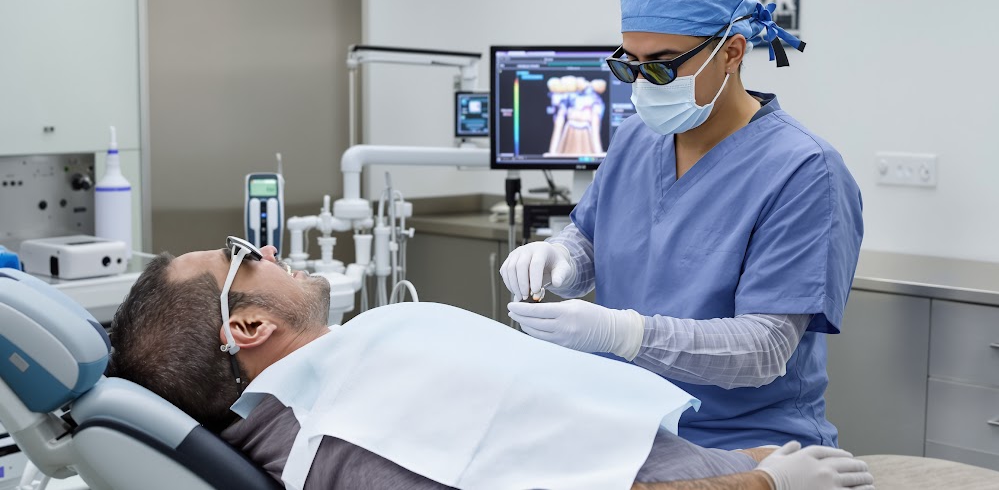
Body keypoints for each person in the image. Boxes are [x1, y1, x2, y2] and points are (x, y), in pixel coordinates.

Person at [108, 240, 874, 490]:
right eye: (244, 256)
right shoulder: (349, 437)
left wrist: (738, 461)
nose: (267, 249)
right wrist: (765, 483)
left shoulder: (338, 383)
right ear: (247, 325)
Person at [501, 0, 864, 451]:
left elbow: (765, 348)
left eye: (661, 67)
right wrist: (559, 259)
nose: (642, 84)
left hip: (742, 444)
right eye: (629, 65)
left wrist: (622, 333)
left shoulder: (804, 171)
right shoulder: (635, 137)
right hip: (624, 426)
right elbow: (592, 237)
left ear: (733, 53)